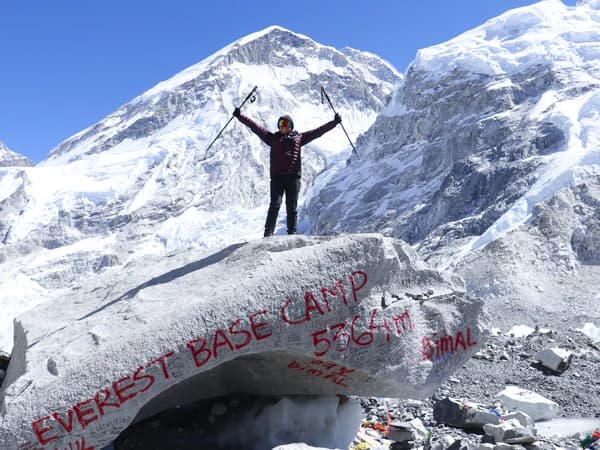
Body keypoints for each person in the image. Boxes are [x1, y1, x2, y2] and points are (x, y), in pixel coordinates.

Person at [233, 107, 341, 236]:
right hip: (277, 177)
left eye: (286, 124)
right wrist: (240, 116)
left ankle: (292, 233)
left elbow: (317, 132)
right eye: (281, 124)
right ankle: (268, 233)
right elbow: (255, 127)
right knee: (275, 204)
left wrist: (334, 123)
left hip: (293, 177)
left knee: (292, 207)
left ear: (291, 126)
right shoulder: (271, 138)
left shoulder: (299, 138)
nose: (283, 126)